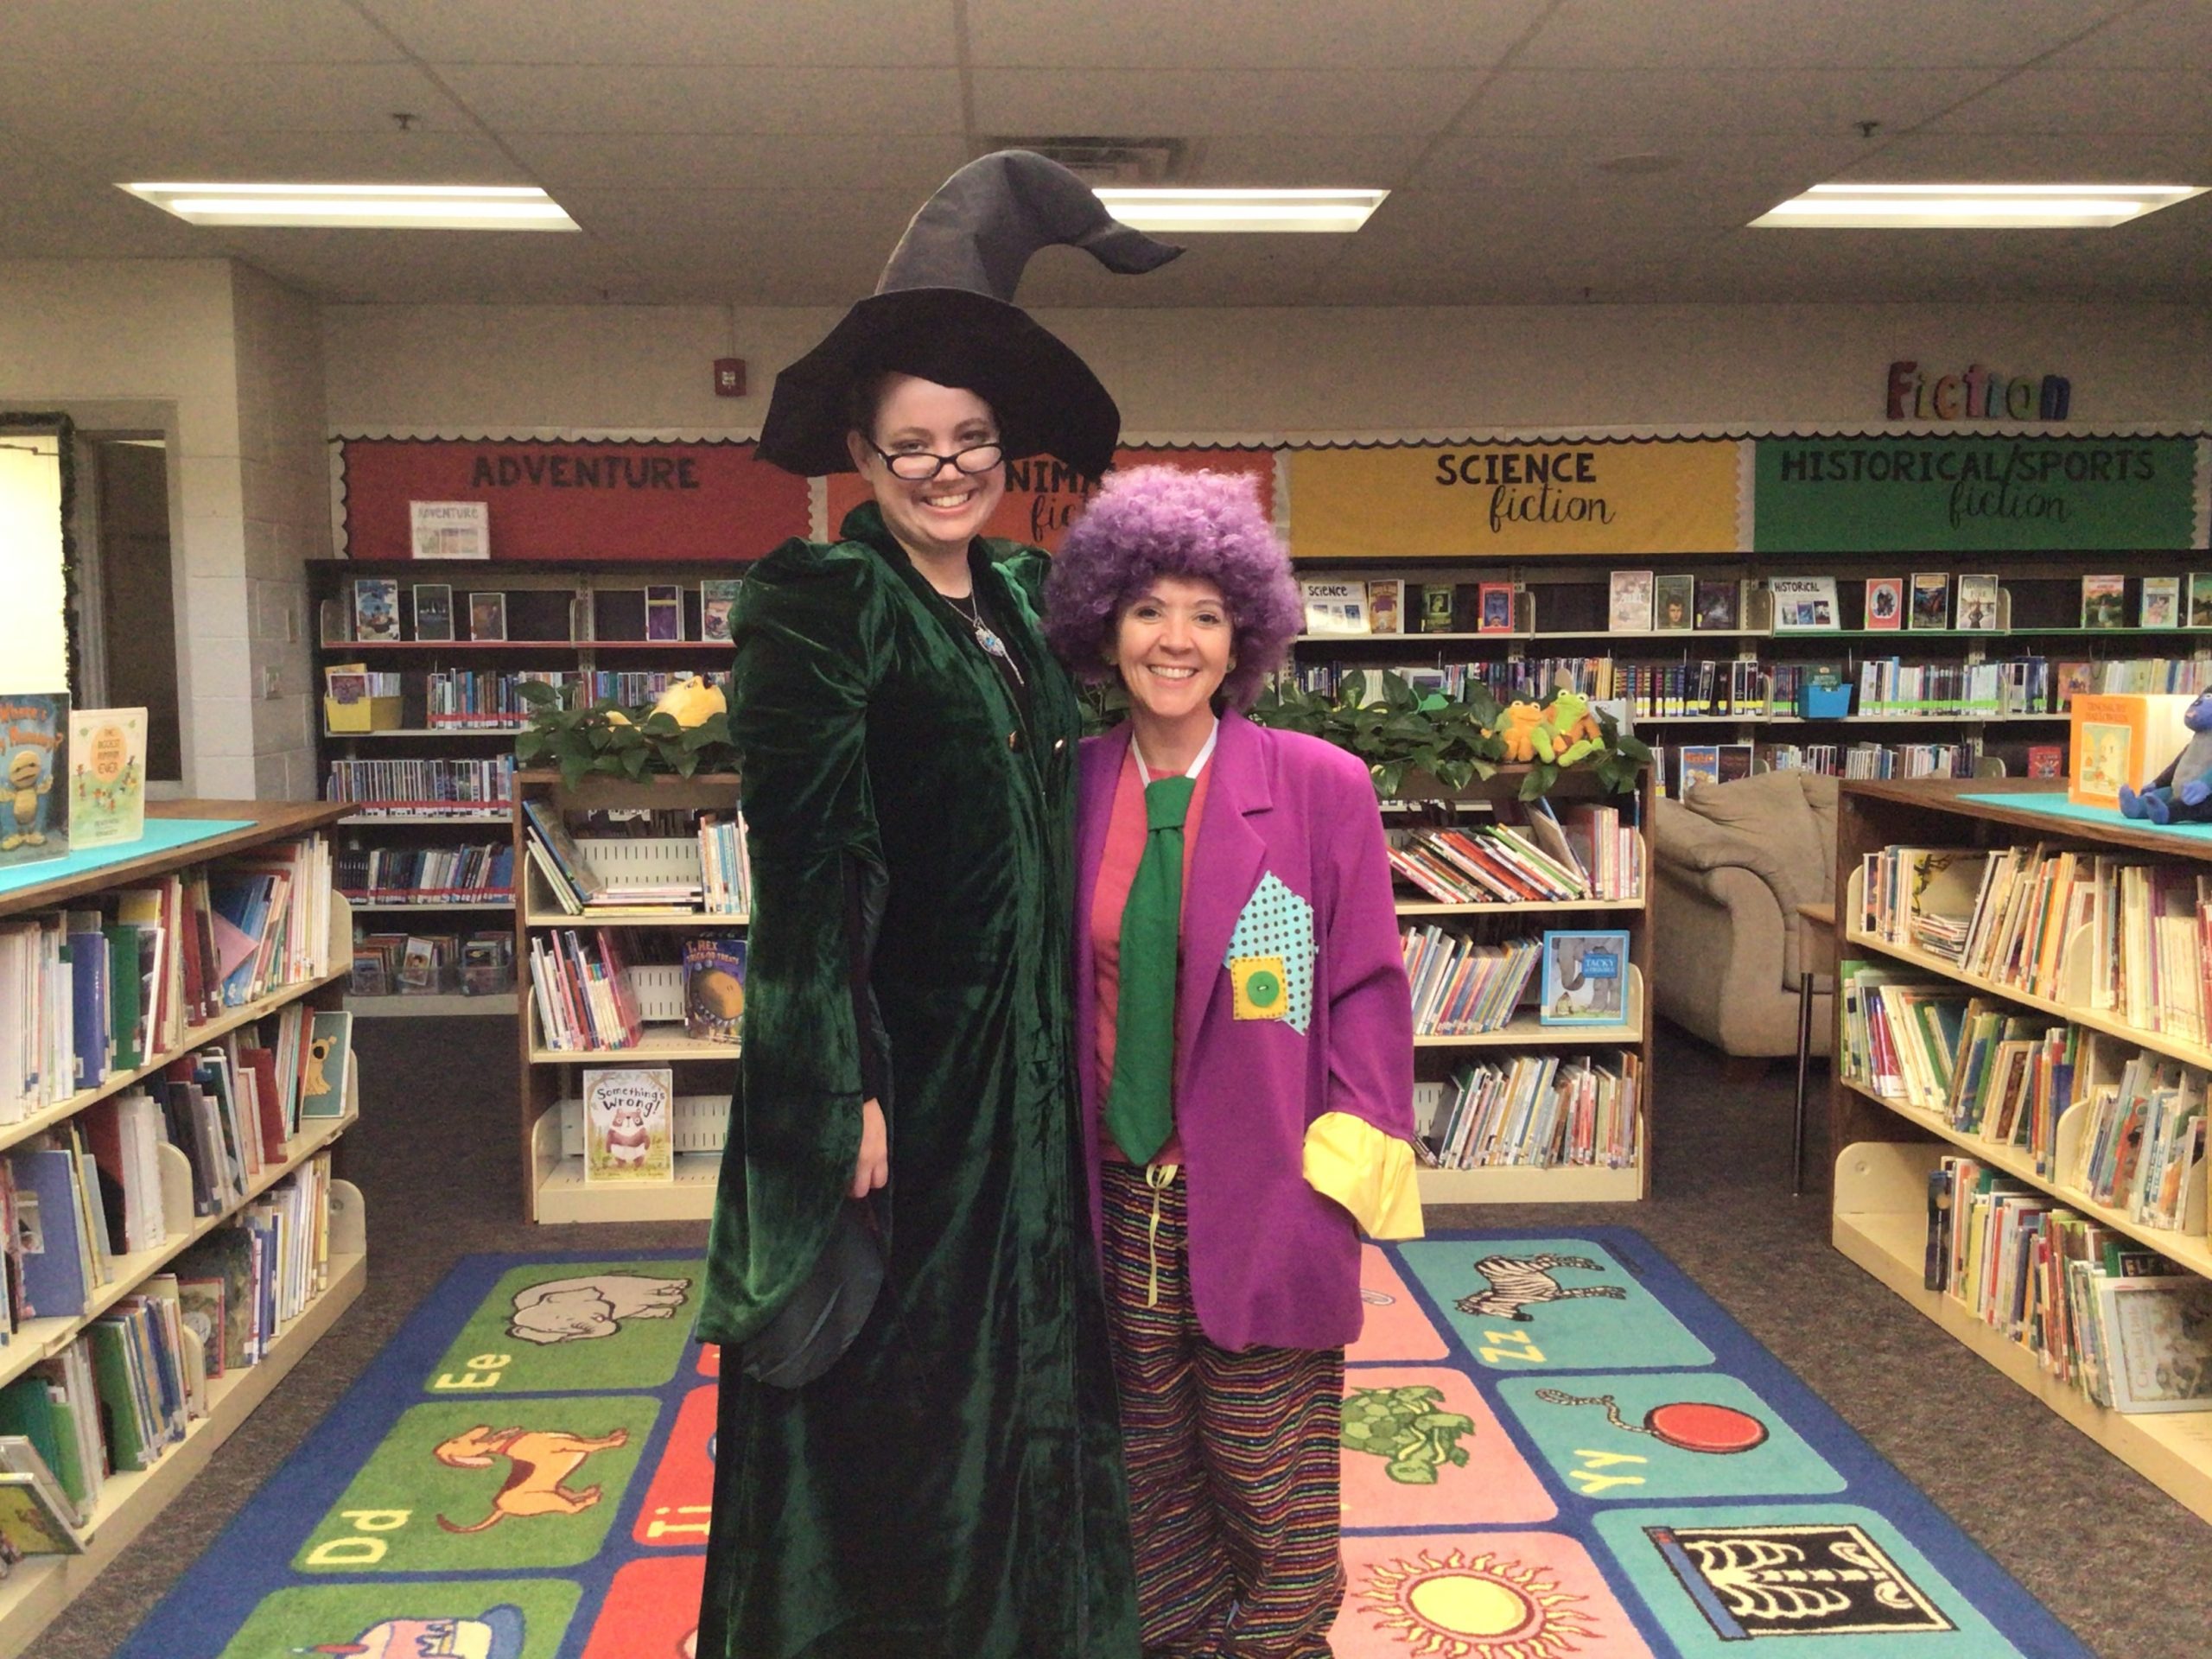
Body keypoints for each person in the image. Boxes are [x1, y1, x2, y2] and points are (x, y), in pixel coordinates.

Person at [692, 152, 1178, 1659]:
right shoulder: (822, 607)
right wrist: (840, 1093)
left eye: (971, 439)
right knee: (899, 1410)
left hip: (1033, 1085)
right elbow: (809, 872)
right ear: (859, 448)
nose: (947, 468)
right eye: (913, 446)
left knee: (1034, 1381)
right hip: (906, 1078)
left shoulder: (1031, 604)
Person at [1044, 467, 1424, 1659]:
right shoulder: (1064, 788)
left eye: (1206, 613)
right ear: (1107, 624)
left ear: (1243, 635)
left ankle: (1278, 1643)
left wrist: (1345, 1168)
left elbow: (1362, 985)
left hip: (1265, 1188)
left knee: (1270, 1470)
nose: (1176, 638)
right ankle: (1170, 1638)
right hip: (1110, 1196)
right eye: (1150, 608)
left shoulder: (1319, 787)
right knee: (1144, 1466)